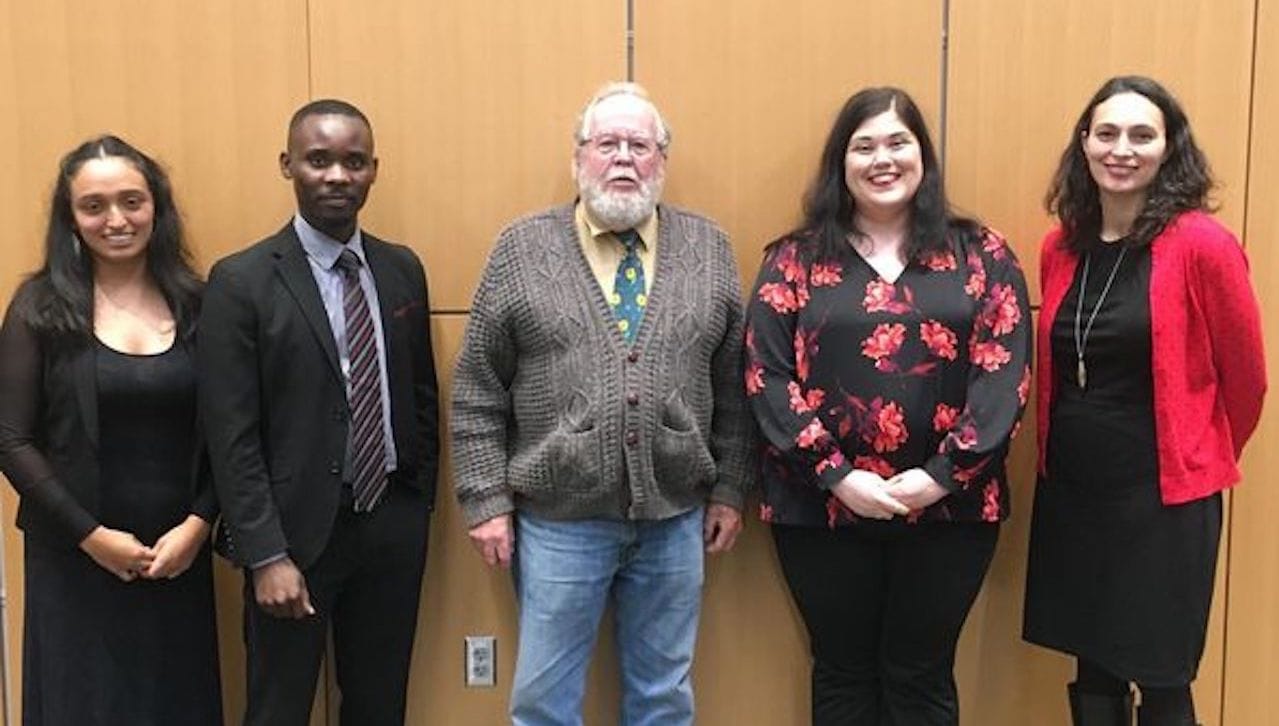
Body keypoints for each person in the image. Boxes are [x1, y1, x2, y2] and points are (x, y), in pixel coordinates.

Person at [451, 81, 755, 726]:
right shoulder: (521, 249)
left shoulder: (710, 249)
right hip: (558, 523)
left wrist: (730, 487)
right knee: (542, 704)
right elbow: (477, 387)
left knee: (663, 698)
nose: (622, 158)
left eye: (639, 145)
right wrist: (485, 501)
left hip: (676, 519)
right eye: (606, 143)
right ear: (578, 157)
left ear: (662, 162)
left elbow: (734, 386)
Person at [744, 87, 1031, 725]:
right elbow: (765, 373)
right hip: (819, 506)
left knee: (921, 674)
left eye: (898, 142)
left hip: (952, 507)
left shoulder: (982, 254)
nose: (883, 159)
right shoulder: (794, 259)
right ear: (840, 163)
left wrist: (940, 477)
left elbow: (1003, 372)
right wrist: (837, 476)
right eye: (864, 145)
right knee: (842, 673)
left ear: (922, 155)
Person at [1023, 75, 1266, 726]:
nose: (1120, 149)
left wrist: (1197, 452)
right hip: (1075, 490)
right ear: (1083, 144)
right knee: (1092, 666)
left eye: (1140, 135)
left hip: (1162, 501)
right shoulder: (1060, 246)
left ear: (1168, 147)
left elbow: (1245, 380)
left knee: (1161, 677)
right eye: (1105, 133)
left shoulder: (1201, 245)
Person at [198, 99, 439, 726]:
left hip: (389, 524)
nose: (337, 175)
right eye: (319, 160)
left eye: (354, 162)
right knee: (278, 708)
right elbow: (231, 436)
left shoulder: (401, 268)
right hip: (293, 536)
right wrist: (266, 555)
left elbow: (420, 397)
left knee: (380, 705)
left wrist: (417, 505)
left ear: (373, 170)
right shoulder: (241, 281)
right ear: (288, 165)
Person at [0, 136, 221, 724]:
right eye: (94, 205)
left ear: (157, 207)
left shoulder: (201, 305)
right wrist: (91, 536)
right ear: (69, 217)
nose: (116, 220)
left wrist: (199, 526)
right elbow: (11, 438)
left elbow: (233, 430)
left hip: (176, 556)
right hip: (74, 557)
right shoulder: (37, 306)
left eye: (132, 201)